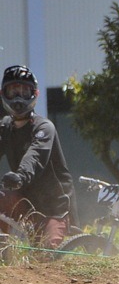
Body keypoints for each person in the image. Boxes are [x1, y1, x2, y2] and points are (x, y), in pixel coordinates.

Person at [0, 65, 75, 248]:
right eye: (13, 91)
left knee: (47, 254)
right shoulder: (5, 127)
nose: (18, 98)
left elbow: (35, 156)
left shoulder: (44, 127)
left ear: (35, 93)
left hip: (54, 209)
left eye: (24, 91)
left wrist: (20, 176)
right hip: (25, 202)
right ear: (3, 93)